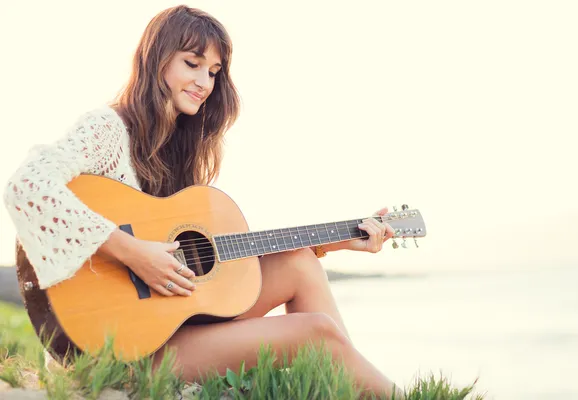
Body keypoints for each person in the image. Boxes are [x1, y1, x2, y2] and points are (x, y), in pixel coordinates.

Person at [3, 5, 401, 398]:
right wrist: (132, 252)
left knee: (300, 263)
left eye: (213, 72)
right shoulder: (107, 129)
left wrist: (342, 240)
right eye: (192, 63)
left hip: (173, 328)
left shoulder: (182, 150)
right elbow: (27, 185)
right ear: (156, 60)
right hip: (121, 350)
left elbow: (215, 271)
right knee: (319, 332)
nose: (204, 83)